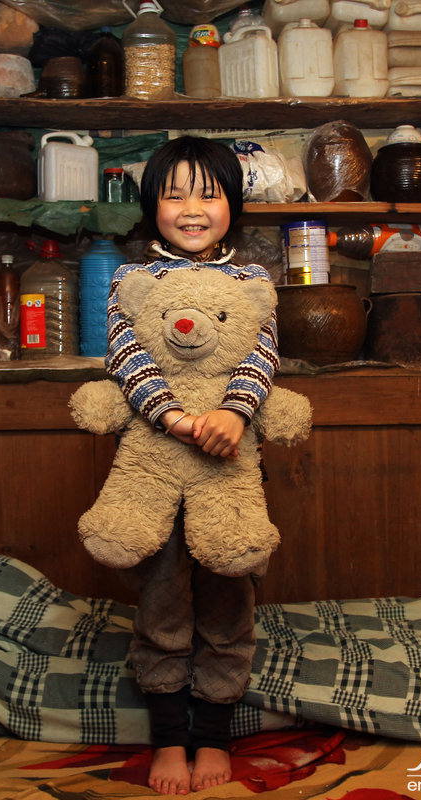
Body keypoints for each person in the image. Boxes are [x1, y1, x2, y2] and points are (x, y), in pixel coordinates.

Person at [104, 136, 279, 794]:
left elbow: (263, 356)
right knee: (162, 598)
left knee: (230, 596)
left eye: (209, 193)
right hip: (155, 462)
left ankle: (213, 736)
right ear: (153, 207)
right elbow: (125, 359)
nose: (192, 208)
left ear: (233, 204)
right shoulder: (132, 282)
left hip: (230, 467)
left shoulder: (254, 283)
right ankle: (169, 740)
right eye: (174, 194)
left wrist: (235, 413)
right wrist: (175, 419)